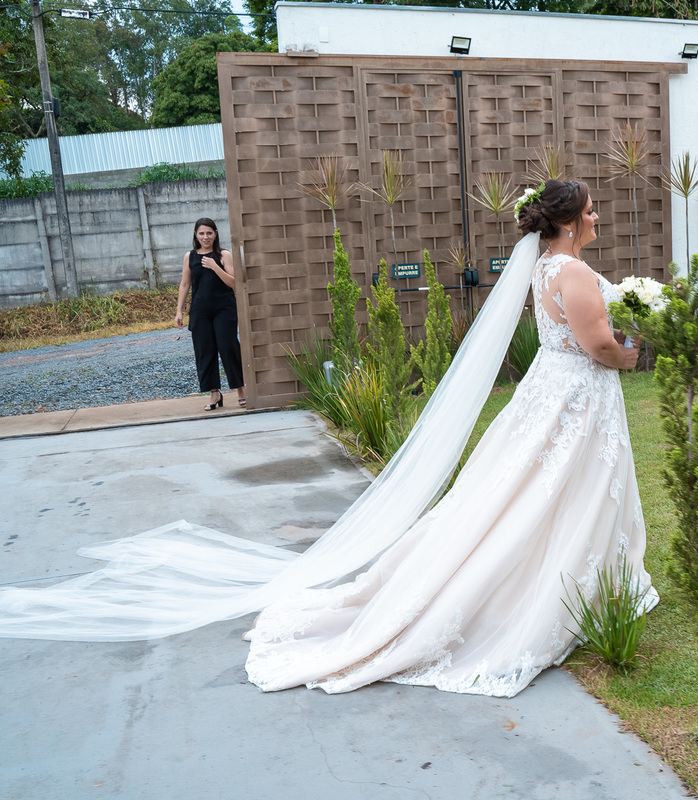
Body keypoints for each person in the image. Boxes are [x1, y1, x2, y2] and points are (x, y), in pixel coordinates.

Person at [0, 180, 658, 701]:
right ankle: (550, 590)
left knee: (534, 492)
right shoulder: (569, 272)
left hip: (557, 395)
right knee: (551, 492)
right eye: (593, 212)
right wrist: (641, 348)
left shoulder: (548, 267)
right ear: (570, 221)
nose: (598, 220)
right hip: (572, 393)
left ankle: (585, 580)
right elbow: (599, 345)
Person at [175, 218, 246, 410]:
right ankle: (214, 393)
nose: (205, 237)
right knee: (204, 351)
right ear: (196, 235)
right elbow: (185, 284)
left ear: (215, 234)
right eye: (201, 233)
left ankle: (240, 390)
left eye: (209, 233)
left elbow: (233, 283)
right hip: (200, 310)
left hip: (224, 309)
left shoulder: (224, 255)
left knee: (228, 347)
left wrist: (215, 267)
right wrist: (179, 310)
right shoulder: (189, 256)